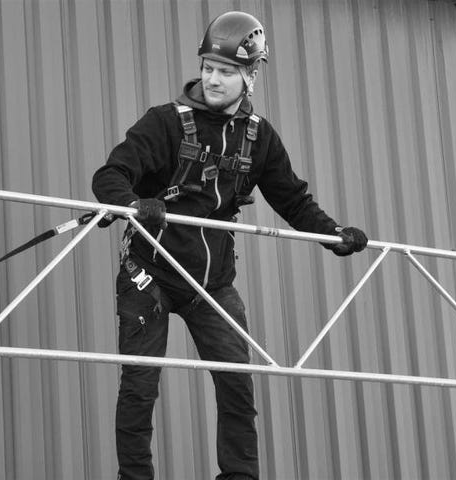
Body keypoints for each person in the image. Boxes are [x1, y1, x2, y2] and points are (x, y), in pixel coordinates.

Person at [92, 10, 368, 480]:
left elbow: (293, 199)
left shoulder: (258, 137)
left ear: (250, 75)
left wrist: (334, 235)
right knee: (139, 382)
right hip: (150, 271)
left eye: (226, 71)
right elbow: (109, 176)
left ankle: (240, 475)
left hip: (213, 282)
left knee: (237, 384)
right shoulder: (164, 123)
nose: (213, 79)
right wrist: (134, 204)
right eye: (208, 68)